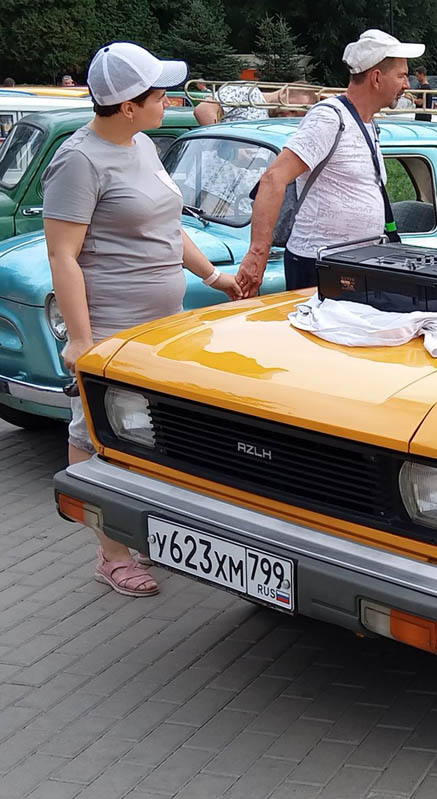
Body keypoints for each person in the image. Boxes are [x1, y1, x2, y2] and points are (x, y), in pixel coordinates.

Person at [43, 42, 241, 597]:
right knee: (94, 432)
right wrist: (81, 339)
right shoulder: (79, 160)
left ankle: (143, 529)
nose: (170, 98)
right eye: (159, 92)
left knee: (150, 429)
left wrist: (213, 277)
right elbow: (62, 254)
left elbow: (168, 229)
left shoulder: (144, 146)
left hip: (160, 326)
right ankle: (111, 552)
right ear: (128, 104)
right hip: (109, 328)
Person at [236, 29, 424, 294]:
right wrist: (257, 255)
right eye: (402, 76)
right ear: (377, 78)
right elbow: (273, 178)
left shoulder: (367, 123)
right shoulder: (328, 119)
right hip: (318, 265)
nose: (406, 85)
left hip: (354, 264)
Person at [194, 83, 318, 125]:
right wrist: (229, 149)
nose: (288, 116)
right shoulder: (247, 91)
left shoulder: (276, 124)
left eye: (295, 116)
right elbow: (204, 110)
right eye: (292, 109)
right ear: (285, 92)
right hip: (211, 182)